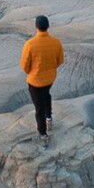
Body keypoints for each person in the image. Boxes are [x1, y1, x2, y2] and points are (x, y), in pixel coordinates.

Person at [20, 15, 64, 144]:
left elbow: (24, 66)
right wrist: (50, 68)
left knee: (38, 107)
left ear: (36, 27)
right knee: (46, 95)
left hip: (35, 81)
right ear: (48, 26)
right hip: (50, 78)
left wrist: (33, 72)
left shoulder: (30, 44)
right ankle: (49, 119)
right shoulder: (56, 42)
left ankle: (43, 134)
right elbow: (60, 60)